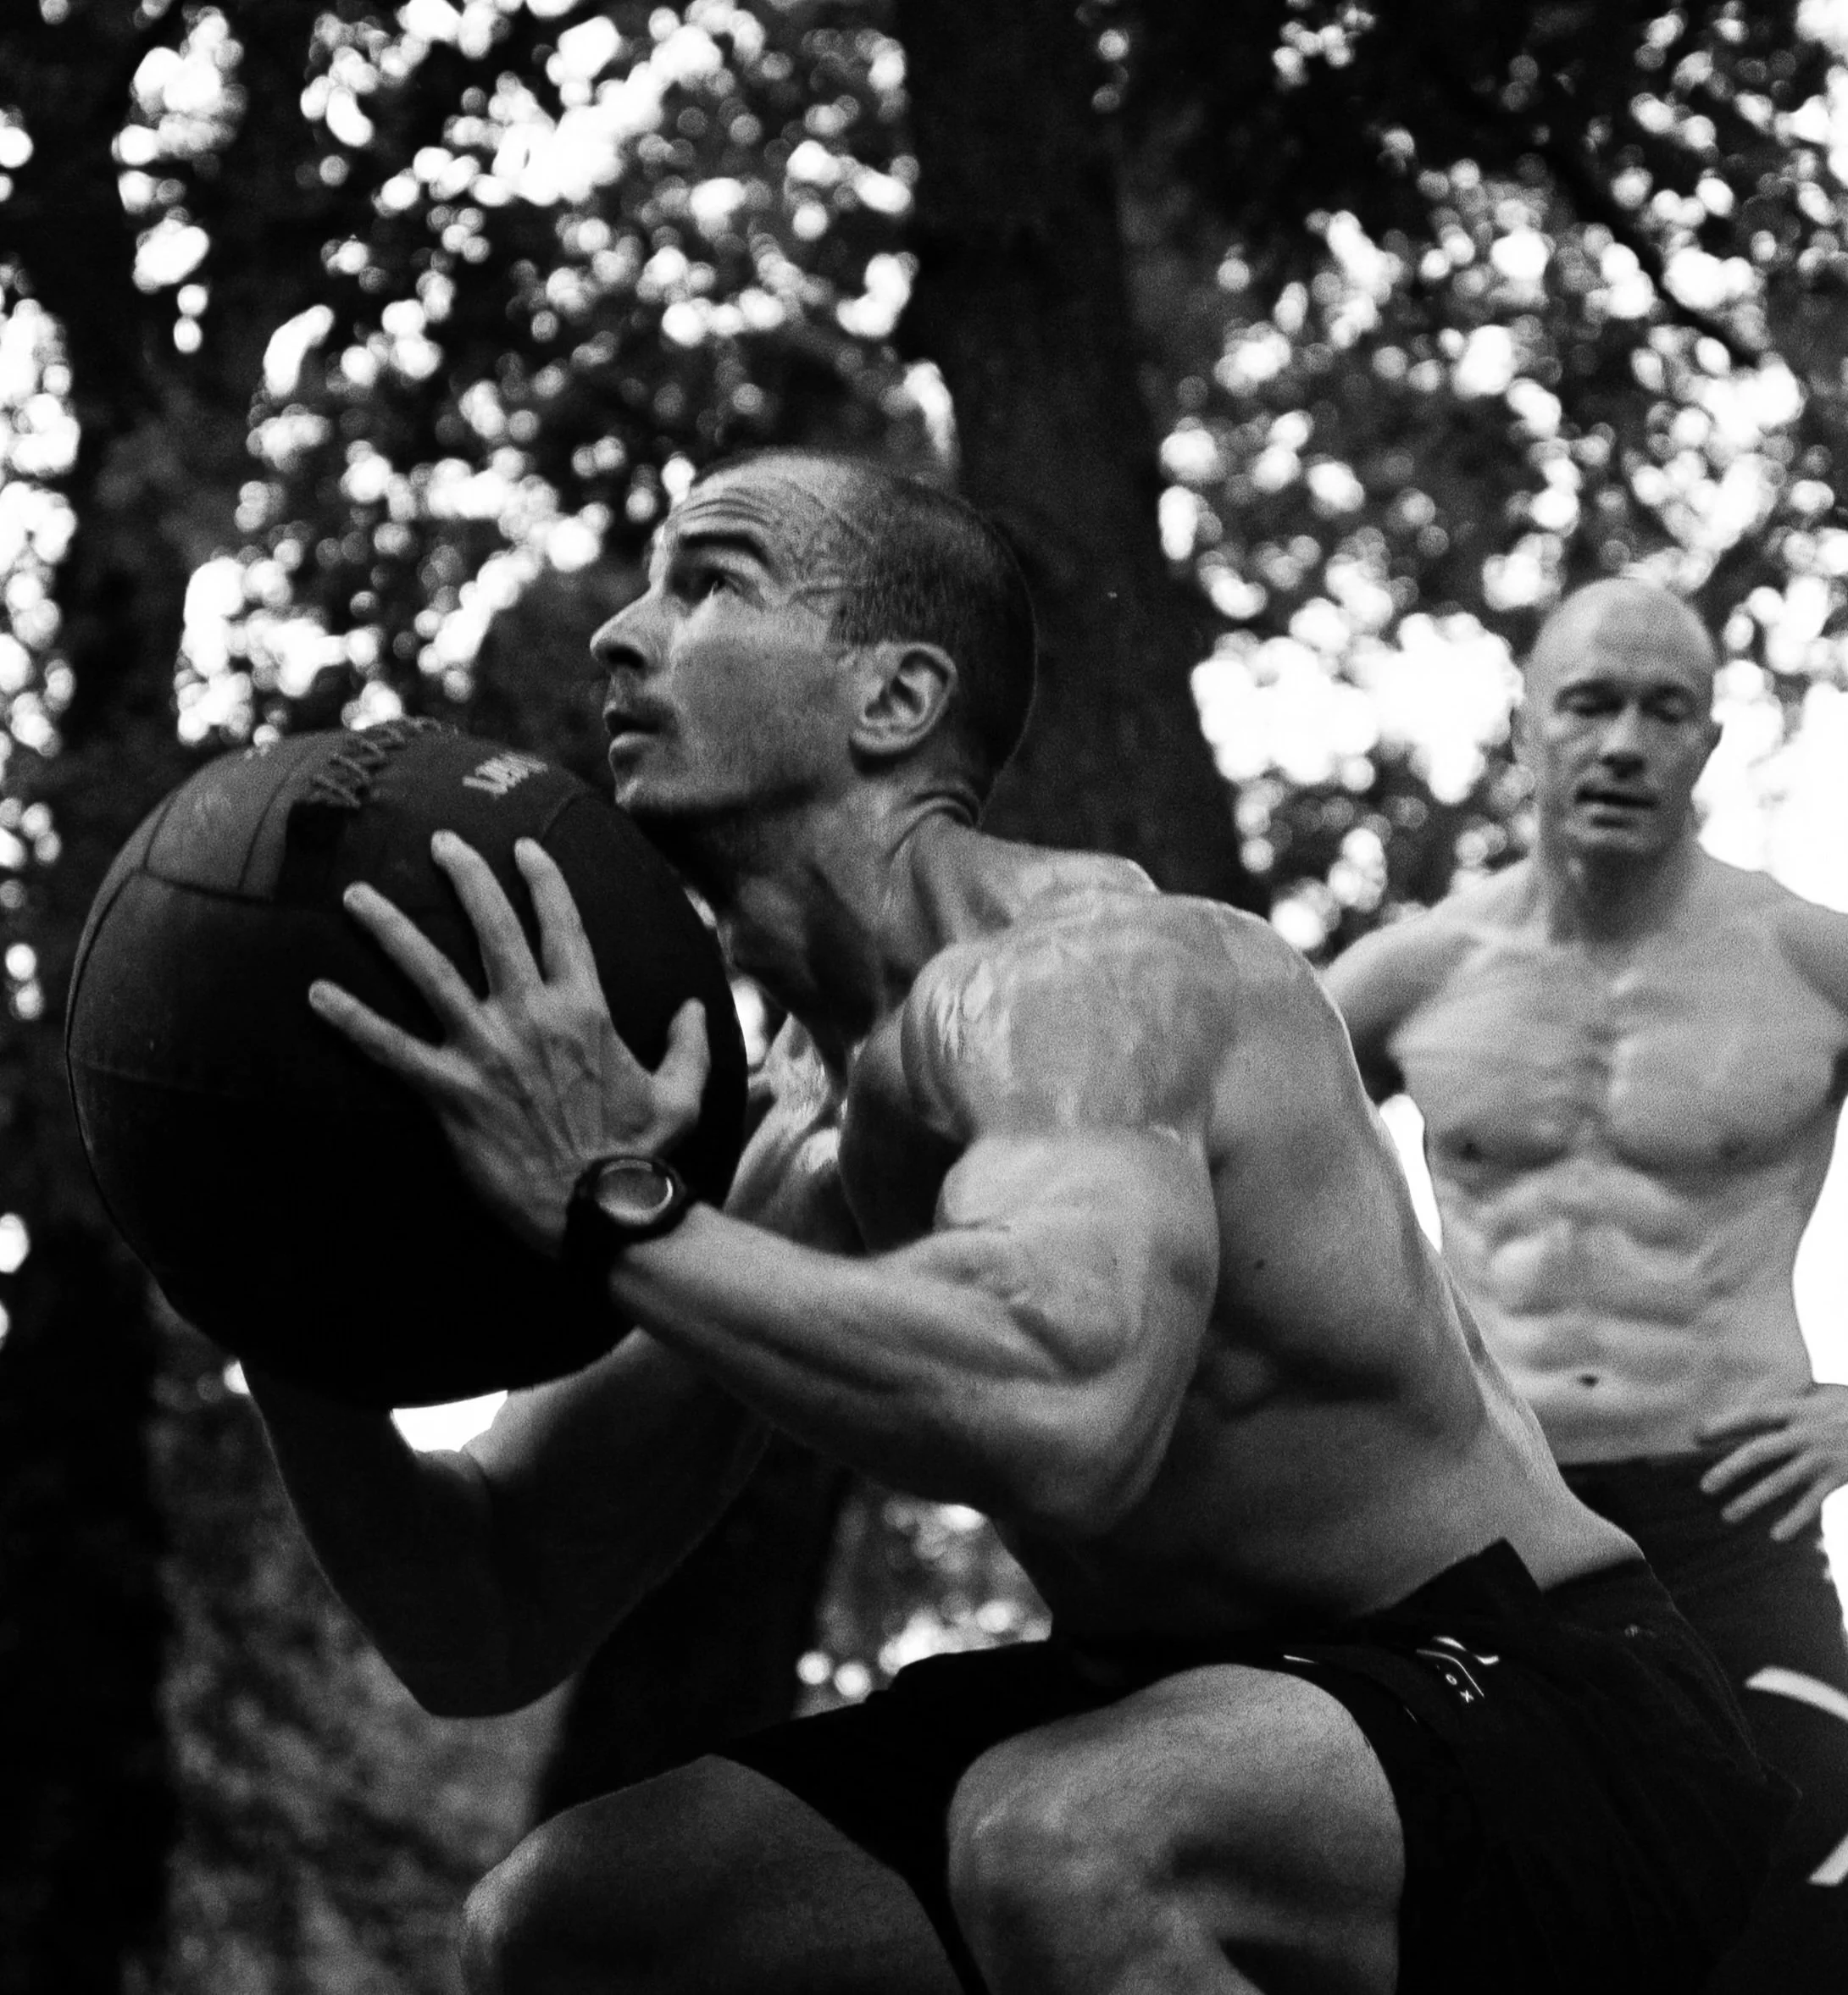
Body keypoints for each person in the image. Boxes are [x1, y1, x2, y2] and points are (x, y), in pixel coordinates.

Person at [253, 458, 1783, 1995]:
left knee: (1068, 1837)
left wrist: (609, 1207)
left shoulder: (1096, 981)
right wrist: (270, 1287)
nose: (621, 634)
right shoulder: (798, 1139)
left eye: (712, 580)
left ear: (897, 695)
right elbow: (487, 1605)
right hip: (1202, 1702)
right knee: (578, 1922)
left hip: (1563, 1707)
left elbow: (1064, 1405)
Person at [1323, 576, 1848, 1991]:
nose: (1624, 741)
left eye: (1664, 709)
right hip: (1484, 1521)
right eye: (1591, 704)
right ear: (1527, 733)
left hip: (1734, 1515)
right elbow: (1195, 1157)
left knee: (1791, 1944)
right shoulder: (1417, 971)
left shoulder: (1810, 959)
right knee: (1492, 1935)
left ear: (1710, 744)